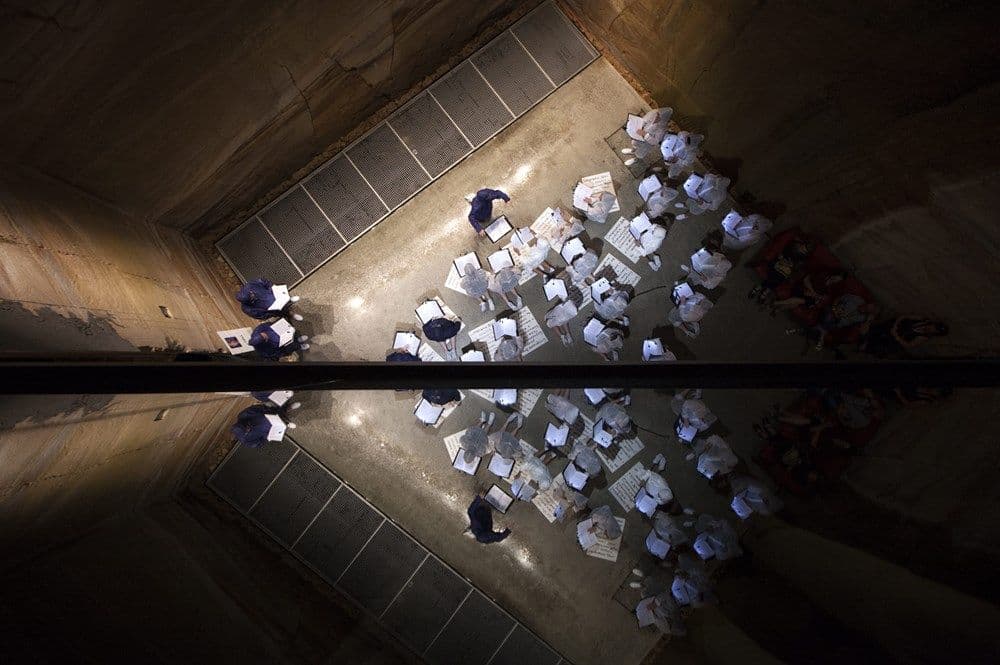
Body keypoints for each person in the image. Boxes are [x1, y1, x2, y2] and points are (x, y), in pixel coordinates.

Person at [860, 315, 948, 358]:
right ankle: (865, 335)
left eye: (935, 330)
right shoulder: (922, 320)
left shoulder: (924, 337)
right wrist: (896, 325)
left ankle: (866, 345)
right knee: (878, 329)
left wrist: (896, 336)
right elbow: (904, 316)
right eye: (934, 326)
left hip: (897, 338)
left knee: (883, 344)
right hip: (895, 327)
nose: (932, 328)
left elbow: (908, 345)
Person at [235, 278, 303, 321]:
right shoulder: (247, 309)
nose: (253, 295)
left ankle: (289, 299)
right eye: (251, 298)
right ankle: (291, 314)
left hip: (274, 293)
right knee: (282, 312)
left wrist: (272, 287)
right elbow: (261, 316)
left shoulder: (250, 286)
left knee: (284, 295)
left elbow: (263, 281)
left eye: (251, 294)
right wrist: (270, 312)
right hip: (274, 309)